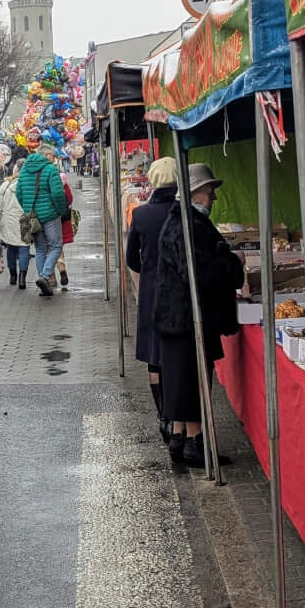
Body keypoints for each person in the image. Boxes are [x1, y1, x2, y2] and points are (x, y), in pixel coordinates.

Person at [155, 163, 244, 469]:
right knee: (192, 380)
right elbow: (201, 273)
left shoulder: (181, 220)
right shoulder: (189, 224)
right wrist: (234, 262)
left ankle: (181, 437)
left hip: (176, 316)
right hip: (186, 317)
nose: (213, 198)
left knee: (182, 379)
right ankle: (195, 443)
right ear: (194, 193)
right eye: (209, 191)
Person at [125, 158, 181, 439]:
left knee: (153, 355)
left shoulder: (141, 215)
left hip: (150, 288)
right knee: (178, 354)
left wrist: (147, 270)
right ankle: (178, 416)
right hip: (180, 291)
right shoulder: (183, 213)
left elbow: (130, 258)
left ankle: (163, 416)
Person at [16, 143, 70, 297]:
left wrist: (28, 209)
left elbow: (19, 193)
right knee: (56, 245)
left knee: (40, 249)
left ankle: (43, 283)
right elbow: (58, 194)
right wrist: (59, 210)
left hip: (33, 217)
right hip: (50, 216)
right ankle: (45, 276)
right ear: (46, 155)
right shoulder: (50, 169)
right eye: (53, 156)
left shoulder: (25, 169)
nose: (54, 159)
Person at [0, 159, 30, 289]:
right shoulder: (29, 184)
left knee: (11, 249)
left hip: (7, 222)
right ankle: (22, 279)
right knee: (24, 247)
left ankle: (13, 276)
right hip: (25, 221)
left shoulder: (6, 185)